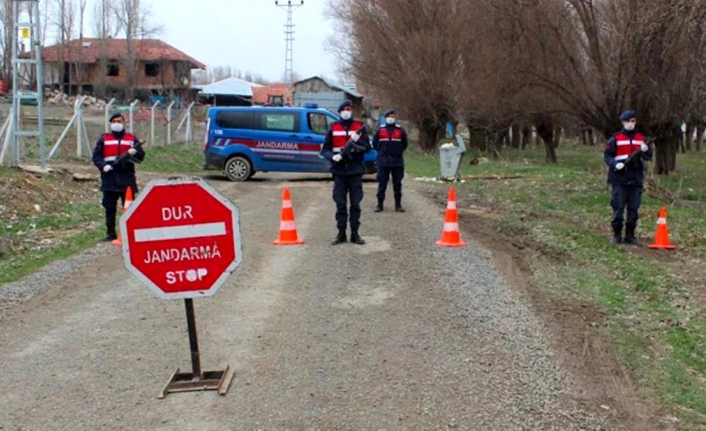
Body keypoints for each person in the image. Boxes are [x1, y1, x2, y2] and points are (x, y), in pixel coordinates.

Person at [321, 100, 371, 245]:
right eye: (344, 109)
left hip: (355, 170)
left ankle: (355, 234)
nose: (346, 111)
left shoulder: (359, 128)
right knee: (340, 204)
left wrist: (357, 143)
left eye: (349, 109)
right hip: (339, 171)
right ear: (339, 112)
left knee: (355, 204)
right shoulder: (333, 127)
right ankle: (341, 233)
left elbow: (367, 147)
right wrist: (333, 156)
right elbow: (325, 150)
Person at [92, 112, 146, 242]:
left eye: (119, 121)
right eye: (114, 121)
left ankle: (130, 233)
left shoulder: (131, 139)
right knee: (109, 207)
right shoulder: (104, 139)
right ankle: (110, 233)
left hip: (126, 178)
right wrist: (103, 166)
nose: (117, 124)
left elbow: (141, 157)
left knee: (129, 208)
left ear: (124, 123)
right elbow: (96, 157)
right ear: (110, 124)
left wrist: (135, 152)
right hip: (109, 179)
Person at [603, 110, 653, 245]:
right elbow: (607, 155)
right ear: (623, 122)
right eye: (628, 121)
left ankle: (630, 235)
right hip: (619, 178)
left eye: (633, 121)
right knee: (618, 207)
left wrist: (645, 149)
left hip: (635, 178)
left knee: (633, 208)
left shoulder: (641, 138)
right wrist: (615, 164)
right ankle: (617, 235)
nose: (631, 124)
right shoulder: (615, 138)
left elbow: (649, 157)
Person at [372, 109, 408, 212]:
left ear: (395, 118)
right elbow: (375, 143)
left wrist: (398, 151)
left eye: (392, 116)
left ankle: (398, 205)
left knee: (397, 184)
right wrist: (381, 152)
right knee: (382, 183)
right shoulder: (380, 130)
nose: (390, 118)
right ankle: (379, 205)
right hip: (383, 162)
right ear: (385, 118)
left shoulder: (400, 130)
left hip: (397, 162)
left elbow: (405, 144)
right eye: (389, 116)